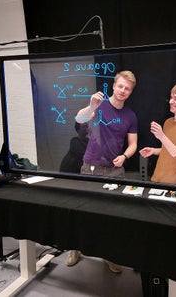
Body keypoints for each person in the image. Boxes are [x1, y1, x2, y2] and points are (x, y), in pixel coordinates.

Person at [66, 70, 138, 273]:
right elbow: (79, 119)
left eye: (127, 88)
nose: (123, 90)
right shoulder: (98, 105)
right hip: (90, 168)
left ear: (130, 92)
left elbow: (133, 144)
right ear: (114, 86)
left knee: (112, 219)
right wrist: (91, 105)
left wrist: (125, 156)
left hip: (115, 172)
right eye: (121, 86)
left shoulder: (130, 115)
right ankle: (75, 248)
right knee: (82, 213)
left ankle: (110, 255)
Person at [139, 81, 176, 186]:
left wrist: (162, 137)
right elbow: (171, 149)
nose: (170, 101)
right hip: (157, 180)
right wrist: (154, 150)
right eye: (171, 97)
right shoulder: (168, 122)